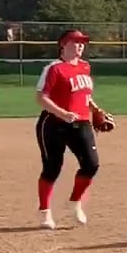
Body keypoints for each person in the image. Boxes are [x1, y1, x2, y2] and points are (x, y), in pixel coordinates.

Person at [34, 29, 108, 229]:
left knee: (91, 164)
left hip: (81, 121)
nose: (80, 45)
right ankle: (44, 212)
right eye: (75, 42)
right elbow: (41, 97)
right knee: (52, 168)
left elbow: (84, 95)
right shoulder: (54, 68)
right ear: (63, 45)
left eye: (82, 42)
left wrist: (95, 109)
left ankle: (74, 203)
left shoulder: (85, 67)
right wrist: (62, 113)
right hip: (53, 123)